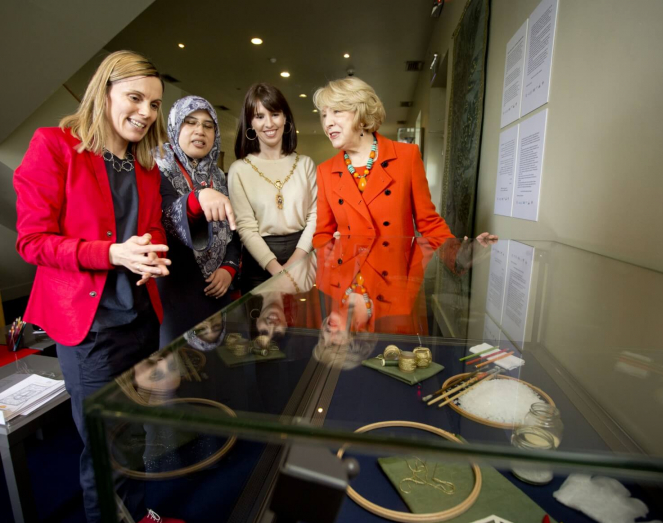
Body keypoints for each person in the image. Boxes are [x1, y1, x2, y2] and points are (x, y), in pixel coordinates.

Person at [13, 51, 185, 523]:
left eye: (154, 103)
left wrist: (151, 254)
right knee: (106, 445)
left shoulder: (145, 165)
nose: (146, 112)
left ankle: (136, 518)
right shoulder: (54, 146)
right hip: (87, 330)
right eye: (135, 98)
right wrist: (112, 254)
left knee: (133, 433)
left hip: (140, 319)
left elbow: (150, 230)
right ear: (104, 91)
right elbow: (32, 242)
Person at [311, 77, 497, 248]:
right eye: (324, 115)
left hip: (395, 277)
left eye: (336, 111)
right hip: (348, 280)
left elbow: (429, 223)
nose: (328, 123)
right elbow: (322, 234)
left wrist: (460, 252)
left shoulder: (406, 156)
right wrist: (332, 250)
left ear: (361, 114)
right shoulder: (325, 170)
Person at [155, 95, 241, 346]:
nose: (199, 131)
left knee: (216, 369)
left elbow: (232, 231)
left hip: (217, 288)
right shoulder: (154, 168)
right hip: (174, 289)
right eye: (190, 122)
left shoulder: (218, 176)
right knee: (177, 365)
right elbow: (163, 223)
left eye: (207, 125)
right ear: (174, 126)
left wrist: (229, 268)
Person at [228, 83, 317, 295]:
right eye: (259, 116)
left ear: (285, 118)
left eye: (275, 114)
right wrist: (278, 271)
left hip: (303, 254)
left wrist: (295, 263)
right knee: (261, 328)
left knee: (301, 325)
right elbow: (246, 228)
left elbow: (316, 215)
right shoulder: (239, 170)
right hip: (259, 263)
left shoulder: (305, 164)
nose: (269, 123)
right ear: (250, 122)